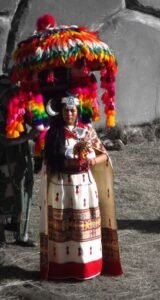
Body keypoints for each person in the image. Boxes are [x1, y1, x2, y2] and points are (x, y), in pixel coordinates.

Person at [40, 94, 122, 280]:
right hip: (61, 186)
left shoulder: (87, 131)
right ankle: (62, 269)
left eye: (72, 110)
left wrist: (93, 159)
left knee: (83, 226)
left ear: (77, 112)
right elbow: (48, 161)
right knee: (62, 227)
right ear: (61, 112)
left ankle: (86, 267)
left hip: (84, 185)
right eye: (66, 110)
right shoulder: (54, 133)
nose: (69, 113)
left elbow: (105, 156)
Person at [0, 75, 37, 247]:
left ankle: (21, 233)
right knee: (4, 191)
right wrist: (28, 137)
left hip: (21, 155)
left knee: (25, 188)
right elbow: (5, 141)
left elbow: (30, 119)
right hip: (4, 158)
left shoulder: (18, 104)